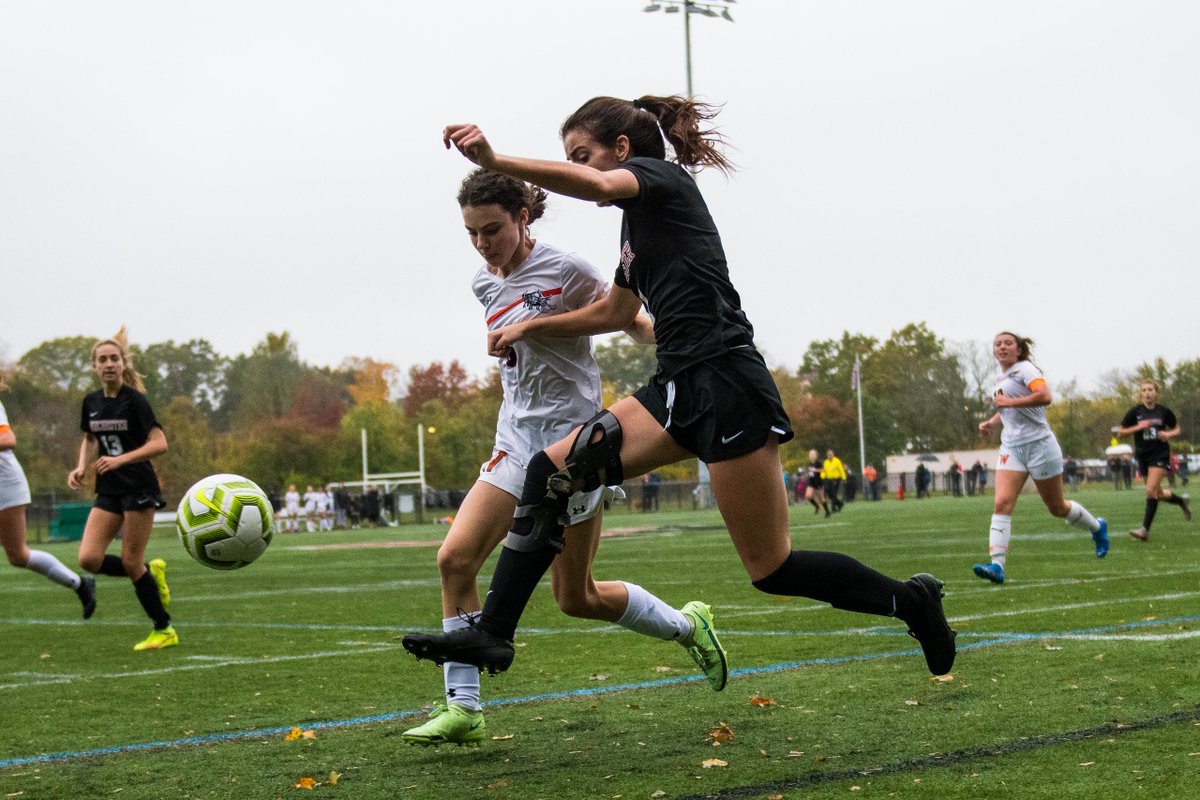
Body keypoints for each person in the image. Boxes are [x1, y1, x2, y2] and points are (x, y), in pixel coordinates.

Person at [403, 94, 954, 683]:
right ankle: (494, 633)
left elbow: (596, 189)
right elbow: (616, 310)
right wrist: (529, 327)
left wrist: (496, 159)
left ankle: (911, 602)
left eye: (583, 154)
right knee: (553, 469)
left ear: (621, 149)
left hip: (727, 379)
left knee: (772, 568)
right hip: (675, 385)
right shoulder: (632, 230)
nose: (581, 166)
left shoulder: (661, 179)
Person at [400, 168, 725, 747]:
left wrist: (680, 338)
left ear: (522, 218)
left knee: (576, 597)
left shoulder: (566, 268)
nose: (483, 244)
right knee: (454, 559)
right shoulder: (483, 282)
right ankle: (464, 708)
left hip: (573, 449)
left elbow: (625, 317)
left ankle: (686, 624)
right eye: (472, 232)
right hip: (514, 442)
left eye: (492, 229)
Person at [67, 328, 175, 649]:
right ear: (94, 367)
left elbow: (160, 443)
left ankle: (164, 628)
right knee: (88, 558)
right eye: (102, 359)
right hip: (109, 488)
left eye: (114, 358)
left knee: (130, 561)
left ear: (123, 363)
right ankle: (150, 577)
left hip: (138, 485)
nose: (109, 364)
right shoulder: (91, 402)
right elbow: (90, 438)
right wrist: (81, 466)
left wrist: (120, 460)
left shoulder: (135, 401)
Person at [973, 332, 1108, 584]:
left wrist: (1010, 404)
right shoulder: (999, 377)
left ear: (1019, 349)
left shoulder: (1025, 369)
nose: (1002, 347)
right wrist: (992, 422)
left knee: (1057, 508)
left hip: (1040, 446)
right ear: (994, 351)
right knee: (1001, 504)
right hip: (1012, 448)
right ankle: (997, 566)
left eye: (1008, 343)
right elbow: (1008, 409)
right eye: (997, 344)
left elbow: (1045, 396)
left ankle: (1097, 527)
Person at [2, 372, 97, 617]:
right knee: (16, 556)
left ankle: (79, 584)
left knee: (18, 554)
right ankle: (80, 583)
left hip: (5, 484)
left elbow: (8, 438)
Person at [1117, 379, 1191, 540]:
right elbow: (1120, 433)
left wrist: (1168, 434)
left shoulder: (1163, 411)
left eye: (1150, 389)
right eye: (1144, 390)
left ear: (1156, 393)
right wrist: (1139, 427)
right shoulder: (1135, 412)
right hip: (1143, 455)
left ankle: (1144, 530)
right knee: (1157, 492)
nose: (1147, 393)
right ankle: (1181, 502)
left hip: (1160, 453)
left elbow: (1177, 428)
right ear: (1140, 393)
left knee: (1150, 491)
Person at [804, 449, 830, 516]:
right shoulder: (809, 463)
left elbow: (824, 469)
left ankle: (828, 512)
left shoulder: (819, 462)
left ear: (816, 455)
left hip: (818, 482)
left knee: (821, 498)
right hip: (811, 481)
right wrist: (805, 471)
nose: (811, 455)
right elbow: (808, 471)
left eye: (813, 454)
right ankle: (817, 506)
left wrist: (815, 470)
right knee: (808, 496)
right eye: (810, 454)